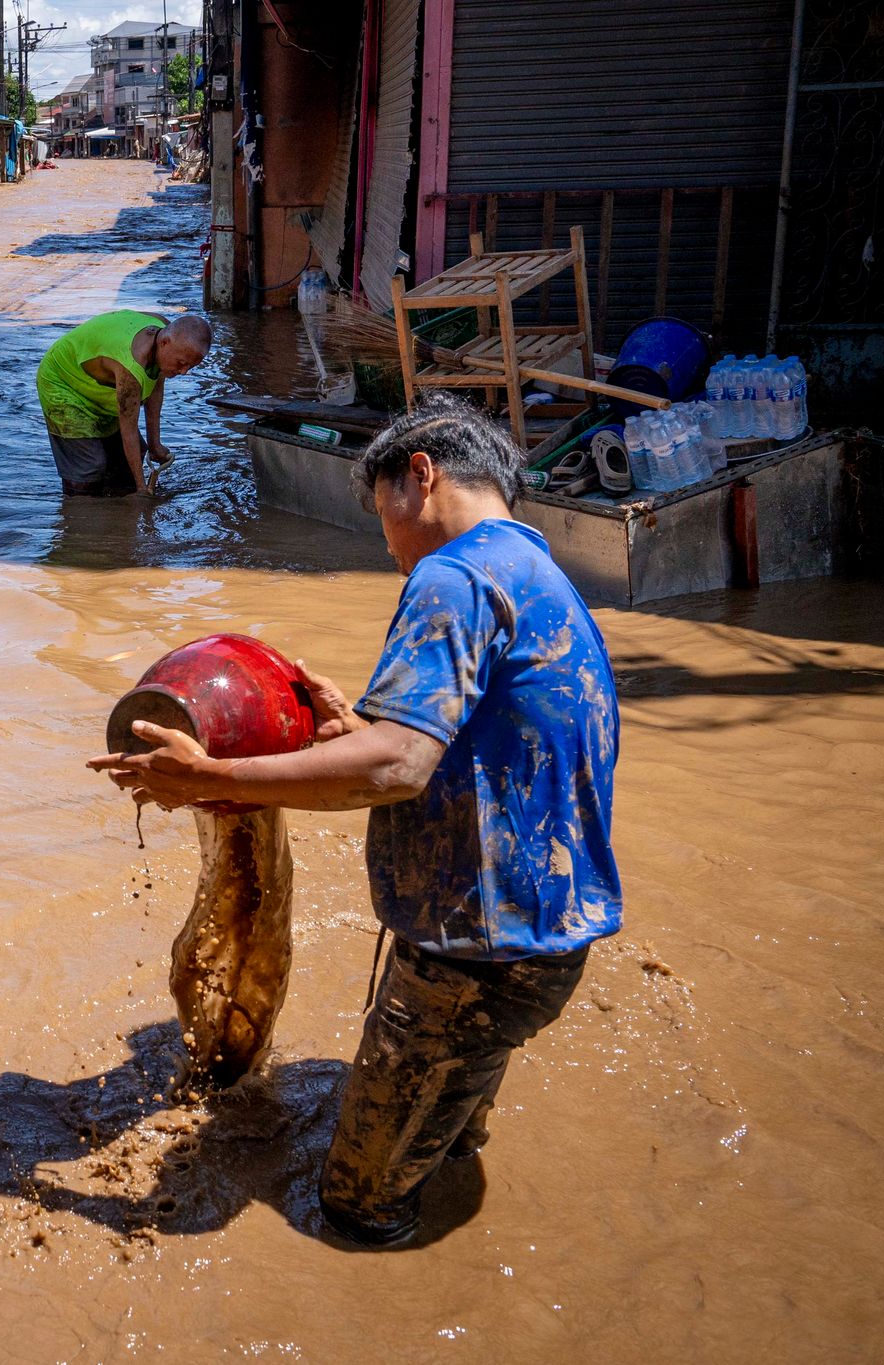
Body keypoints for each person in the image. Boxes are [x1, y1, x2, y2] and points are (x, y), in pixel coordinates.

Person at [90, 396, 621, 1248]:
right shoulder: (537, 574)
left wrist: (212, 774)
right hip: (544, 936)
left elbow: (395, 767)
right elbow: (464, 744)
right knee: (445, 1132)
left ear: (423, 474)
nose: (385, 541)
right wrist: (360, 725)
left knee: (355, 1206)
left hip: (471, 959)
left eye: (381, 514)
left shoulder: (451, 576)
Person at [36, 311, 211, 496]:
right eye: (181, 363)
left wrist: (154, 444)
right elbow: (129, 430)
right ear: (164, 343)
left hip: (99, 383)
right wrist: (142, 488)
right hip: (61, 381)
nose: (183, 371)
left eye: (190, 366)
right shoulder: (131, 367)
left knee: (128, 460)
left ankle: (116, 505)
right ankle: (77, 510)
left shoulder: (166, 331)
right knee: (90, 466)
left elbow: (155, 386)